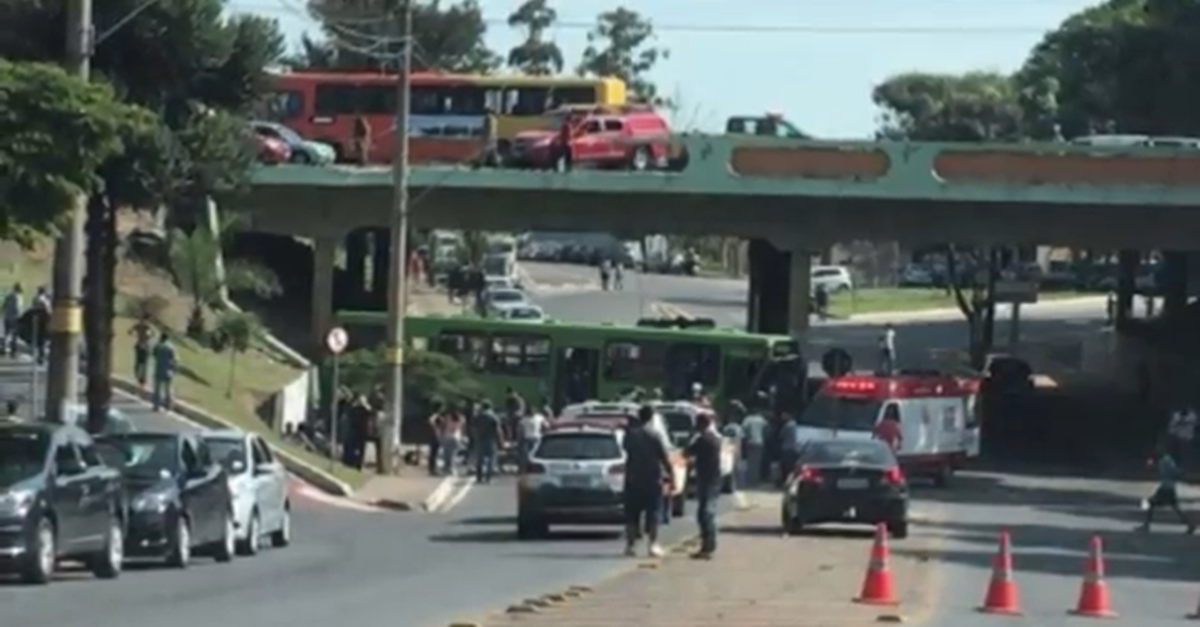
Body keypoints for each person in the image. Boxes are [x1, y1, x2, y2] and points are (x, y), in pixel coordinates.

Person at [622, 404, 674, 558]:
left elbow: (625, 450)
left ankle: (630, 546)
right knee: (653, 514)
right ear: (651, 417)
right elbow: (664, 457)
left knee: (632, 515)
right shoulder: (654, 435)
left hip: (633, 479)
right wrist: (671, 476)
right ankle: (653, 545)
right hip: (652, 479)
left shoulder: (630, 435)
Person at [686, 412, 723, 559]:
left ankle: (708, 546)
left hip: (708, 480)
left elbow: (688, 451)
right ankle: (707, 545)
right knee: (706, 512)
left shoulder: (704, 439)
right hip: (711, 479)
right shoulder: (713, 439)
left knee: (705, 514)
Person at [1139, 443, 1196, 534]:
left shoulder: (1166, 460)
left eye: (1159, 449)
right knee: (1175, 508)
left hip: (1166, 489)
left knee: (1149, 503)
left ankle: (1146, 525)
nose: (1157, 451)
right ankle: (1190, 525)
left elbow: (1173, 472)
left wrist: (1180, 474)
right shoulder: (1163, 460)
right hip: (1167, 488)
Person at [472, 400, 504, 483]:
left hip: (480, 439)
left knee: (480, 459)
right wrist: (501, 440)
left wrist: (475, 436)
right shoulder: (493, 416)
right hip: (491, 439)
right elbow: (498, 430)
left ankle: (479, 477)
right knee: (491, 458)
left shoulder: (478, 416)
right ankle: (488, 477)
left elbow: (473, 428)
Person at [741, 407, 769, 486]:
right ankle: (756, 480)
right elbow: (766, 429)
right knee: (758, 462)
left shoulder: (747, 419)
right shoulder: (762, 420)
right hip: (760, 442)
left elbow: (743, 430)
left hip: (750, 442)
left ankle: (750, 479)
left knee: (750, 462)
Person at [1167, 405, 1197, 471]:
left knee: (1187, 454)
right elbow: (1172, 427)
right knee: (1177, 454)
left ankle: (1189, 467)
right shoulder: (1176, 415)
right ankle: (1178, 467)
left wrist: (1182, 421)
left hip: (1188, 438)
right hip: (1178, 438)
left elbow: (1191, 422)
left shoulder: (1192, 415)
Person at [151, 333, 176, 411]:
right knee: (168, 389)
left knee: (157, 389)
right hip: (168, 370)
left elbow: (154, 355)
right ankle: (168, 406)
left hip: (159, 369)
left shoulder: (158, 346)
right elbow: (174, 359)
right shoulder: (171, 347)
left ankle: (156, 405)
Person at [129, 314, 154, 387]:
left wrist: (134, 335)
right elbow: (151, 334)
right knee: (144, 363)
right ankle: (142, 379)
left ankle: (137, 377)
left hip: (139, 345)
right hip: (145, 346)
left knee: (138, 363)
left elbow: (129, 331)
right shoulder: (148, 326)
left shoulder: (139, 325)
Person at [777, 414, 800, 487]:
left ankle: (785, 482)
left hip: (787, 448)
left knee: (785, 466)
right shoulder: (797, 426)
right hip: (795, 448)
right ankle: (792, 482)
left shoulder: (787, 425)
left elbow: (781, 436)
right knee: (792, 467)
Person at [2, 283, 22, 356]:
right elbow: (18, 308)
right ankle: (13, 351)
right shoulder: (18, 297)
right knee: (14, 335)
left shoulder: (8, 295)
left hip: (7, 317)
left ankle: (3, 348)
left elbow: (3, 306)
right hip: (15, 318)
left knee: (6, 334)